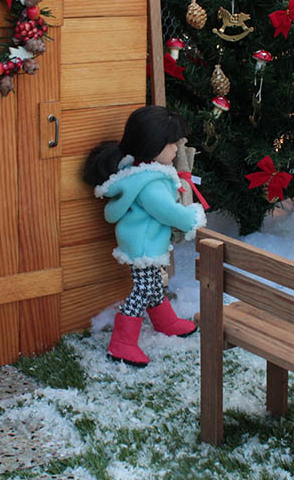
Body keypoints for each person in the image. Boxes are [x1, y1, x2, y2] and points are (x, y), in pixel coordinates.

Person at [82, 106, 207, 366]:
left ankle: (166, 322)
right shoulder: (150, 183)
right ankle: (122, 344)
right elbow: (167, 211)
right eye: (171, 143)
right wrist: (192, 218)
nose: (176, 148)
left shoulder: (141, 173)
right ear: (153, 145)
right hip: (144, 247)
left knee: (152, 285)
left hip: (142, 242)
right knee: (143, 290)